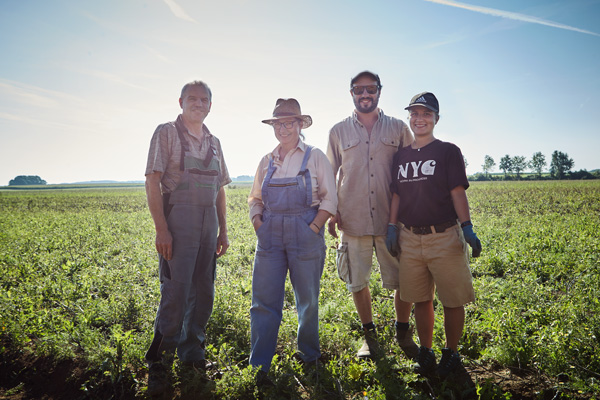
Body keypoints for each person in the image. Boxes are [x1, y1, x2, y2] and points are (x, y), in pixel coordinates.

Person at [144, 80, 231, 395]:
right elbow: (152, 181)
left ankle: (192, 356)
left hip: (208, 222)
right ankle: (160, 363)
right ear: (180, 101)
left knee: (203, 291)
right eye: (192, 98)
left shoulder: (214, 141)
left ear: (210, 105)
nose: (198, 103)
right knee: (176, 292)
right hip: (178, 220)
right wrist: (161, 228)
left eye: (204, 99)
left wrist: (223, 228)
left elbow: (220, 188)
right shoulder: (166, 132)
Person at [388, 92, 482, 379]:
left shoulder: (447, 151)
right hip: (410, 237)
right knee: (420, 299)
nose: (420, 118)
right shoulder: (400, 156)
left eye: (426, 114)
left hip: (444, 236)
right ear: (409, 118)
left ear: (436, 119)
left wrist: (466, 226)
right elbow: (396, 195)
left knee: (452, 299)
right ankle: (426, 352)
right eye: (415, 113)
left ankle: (451, 353)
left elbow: (457, 192)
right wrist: (392, 226)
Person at [326, 71, 418, 360]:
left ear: (379, 91)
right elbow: (329, 174)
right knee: (358, 281)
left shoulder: (399, 128)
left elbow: (412, 171)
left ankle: (403, 333)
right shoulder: (338, 131)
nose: (365, 94)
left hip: (394, 221)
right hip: (352, 221)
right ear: (351, 93)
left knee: (404, 280)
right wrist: (332, 211)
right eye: (359, 90)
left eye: (370, 89)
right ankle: (369, 337)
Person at [248, 98, 337, 383]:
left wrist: (314, 226)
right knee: (263, 300)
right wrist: (258, 223)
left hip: (305, 232)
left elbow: (330, 197)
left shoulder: (315, 156)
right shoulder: (266, 160)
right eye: (278, 123)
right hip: (270, 235)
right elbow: (254, 198)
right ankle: (260, 364)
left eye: (289, 122)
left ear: (300, 124)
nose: (283, 129)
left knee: (307, 300)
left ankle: (309, 356)